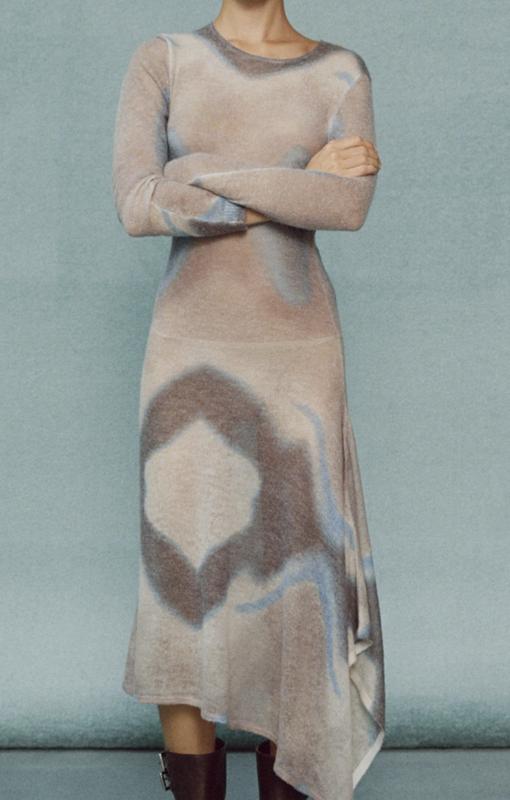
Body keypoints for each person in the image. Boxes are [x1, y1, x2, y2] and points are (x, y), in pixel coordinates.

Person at [111, 2, 385, 798]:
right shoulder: (163, 59)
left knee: (297, 587)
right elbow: (138, 204)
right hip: (186, 356)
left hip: (299, 358)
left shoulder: (340, 71)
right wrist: (295, 184)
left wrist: (196, 175)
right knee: (181, 582)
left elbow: (346, 207)